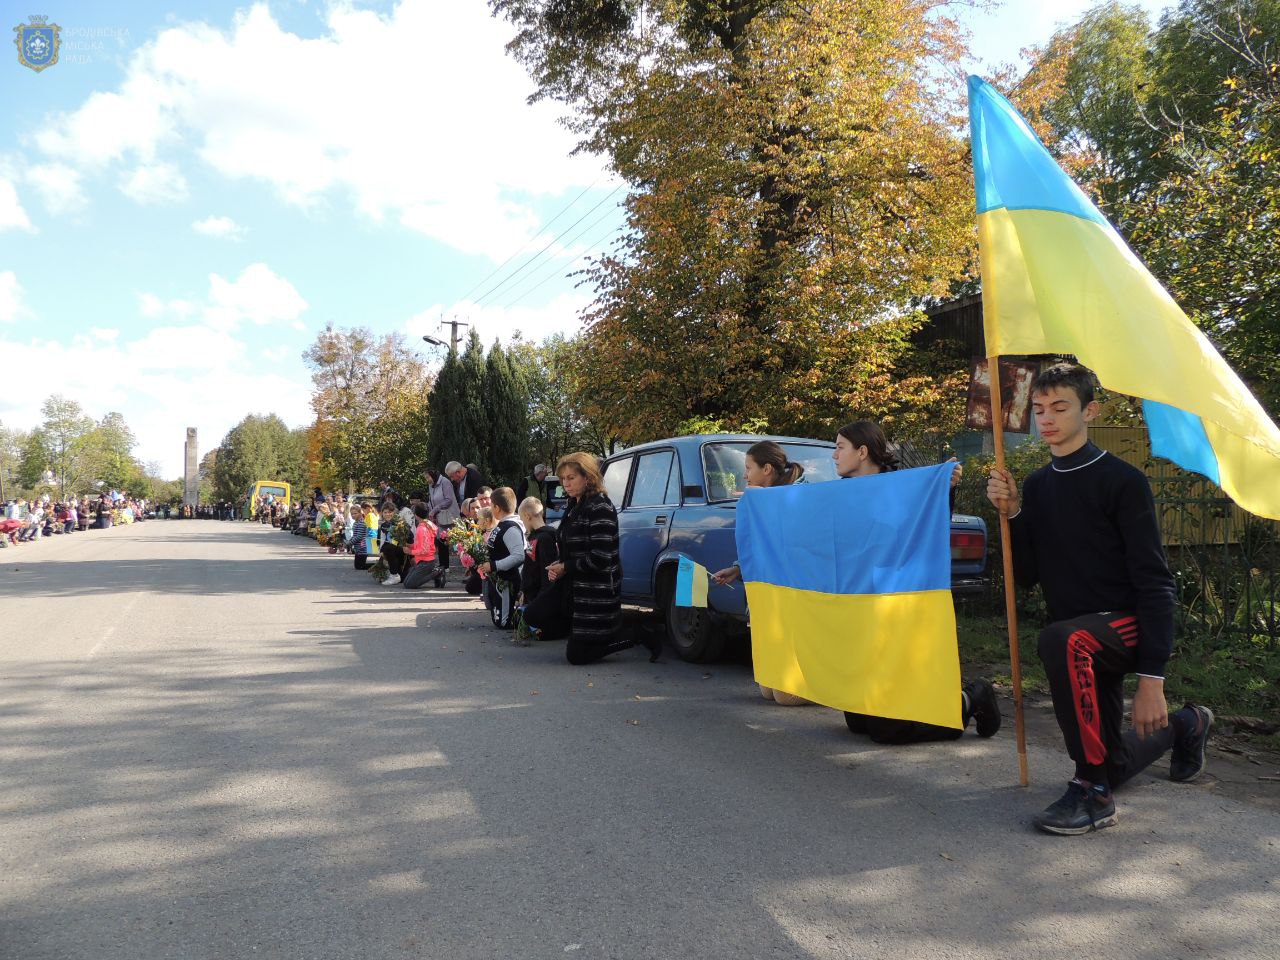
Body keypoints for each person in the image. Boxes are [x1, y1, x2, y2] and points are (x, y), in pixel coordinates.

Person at [986, 363, 1213, 835]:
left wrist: (1152, 679)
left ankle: (1092, 792)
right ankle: (1188, 724)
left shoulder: (1122, 481)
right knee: (1113, 758)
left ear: (1090, 410)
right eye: (1040, 409)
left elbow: (1155, 581)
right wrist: (1011, 515)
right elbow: (1026, 577)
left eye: (1060, 407)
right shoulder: (1038, 486)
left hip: (1125, 624)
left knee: (1061, 640)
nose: (1046, 418)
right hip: (1079, 632)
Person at [832, 419, 1002, 746]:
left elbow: (930, 528)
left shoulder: (902, 489)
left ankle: (970, 699)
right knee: (856, 722)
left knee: (886, 731)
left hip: (899, 608)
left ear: (862, 451)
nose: (834, 455)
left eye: (840, 447)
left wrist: (945, 487)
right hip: (861, 609)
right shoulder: (841, 494)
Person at [523, 453, 662, 665]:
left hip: (595, 588)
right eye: (563, 478)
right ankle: (586, 634)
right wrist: (558, 564)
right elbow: (569, 543)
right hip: (571, 583)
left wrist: (565, 567)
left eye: (571, 478)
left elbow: (601, 558)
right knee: (532, 615)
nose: (565, 484)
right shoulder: (574, 504)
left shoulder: (600, 507)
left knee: (577, 657)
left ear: (587, 477)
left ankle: (632, 635)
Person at [711, 441, 811, 705]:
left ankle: (825, 688)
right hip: (768, 599)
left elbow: (789, 546)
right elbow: (759, 547)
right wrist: (737, 569)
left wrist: (763, 503)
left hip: (792, 597)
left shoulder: (797, 499)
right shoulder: (758, 501)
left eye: (748, 468)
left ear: (766, 469)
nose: (745, 476)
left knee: (785, 697)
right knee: (769, 692)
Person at [478, 487, 526, 628]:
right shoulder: (502, 525)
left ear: (497, 507)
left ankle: (526, 619)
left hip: (508, 580)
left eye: (491, 505)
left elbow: (518, 556)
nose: (490, 508)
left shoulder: (510, 528)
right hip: (499, 578)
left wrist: (493, 565)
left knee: (504, 623)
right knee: (498, 619)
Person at [518, 496, 558, 605]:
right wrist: (523, 590)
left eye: (522, 520)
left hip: (539, 598)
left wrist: (541, 600)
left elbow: (547, 571)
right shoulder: (534, 537)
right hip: (531, 595)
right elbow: (529, 565)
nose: (523, 524)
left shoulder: (545, 538)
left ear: (527, 516)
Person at [428, 468, 460, 579]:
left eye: (428, 477)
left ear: (433, 475)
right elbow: (431, 500)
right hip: (439, 518)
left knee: (454, 541)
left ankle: (466, 566)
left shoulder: (445, 482)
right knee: (441, 541)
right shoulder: (431, 485)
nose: (427, 480)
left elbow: (448, 500)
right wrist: (430, 511)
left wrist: (435, 509)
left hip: (449, 517)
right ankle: (444, 567)